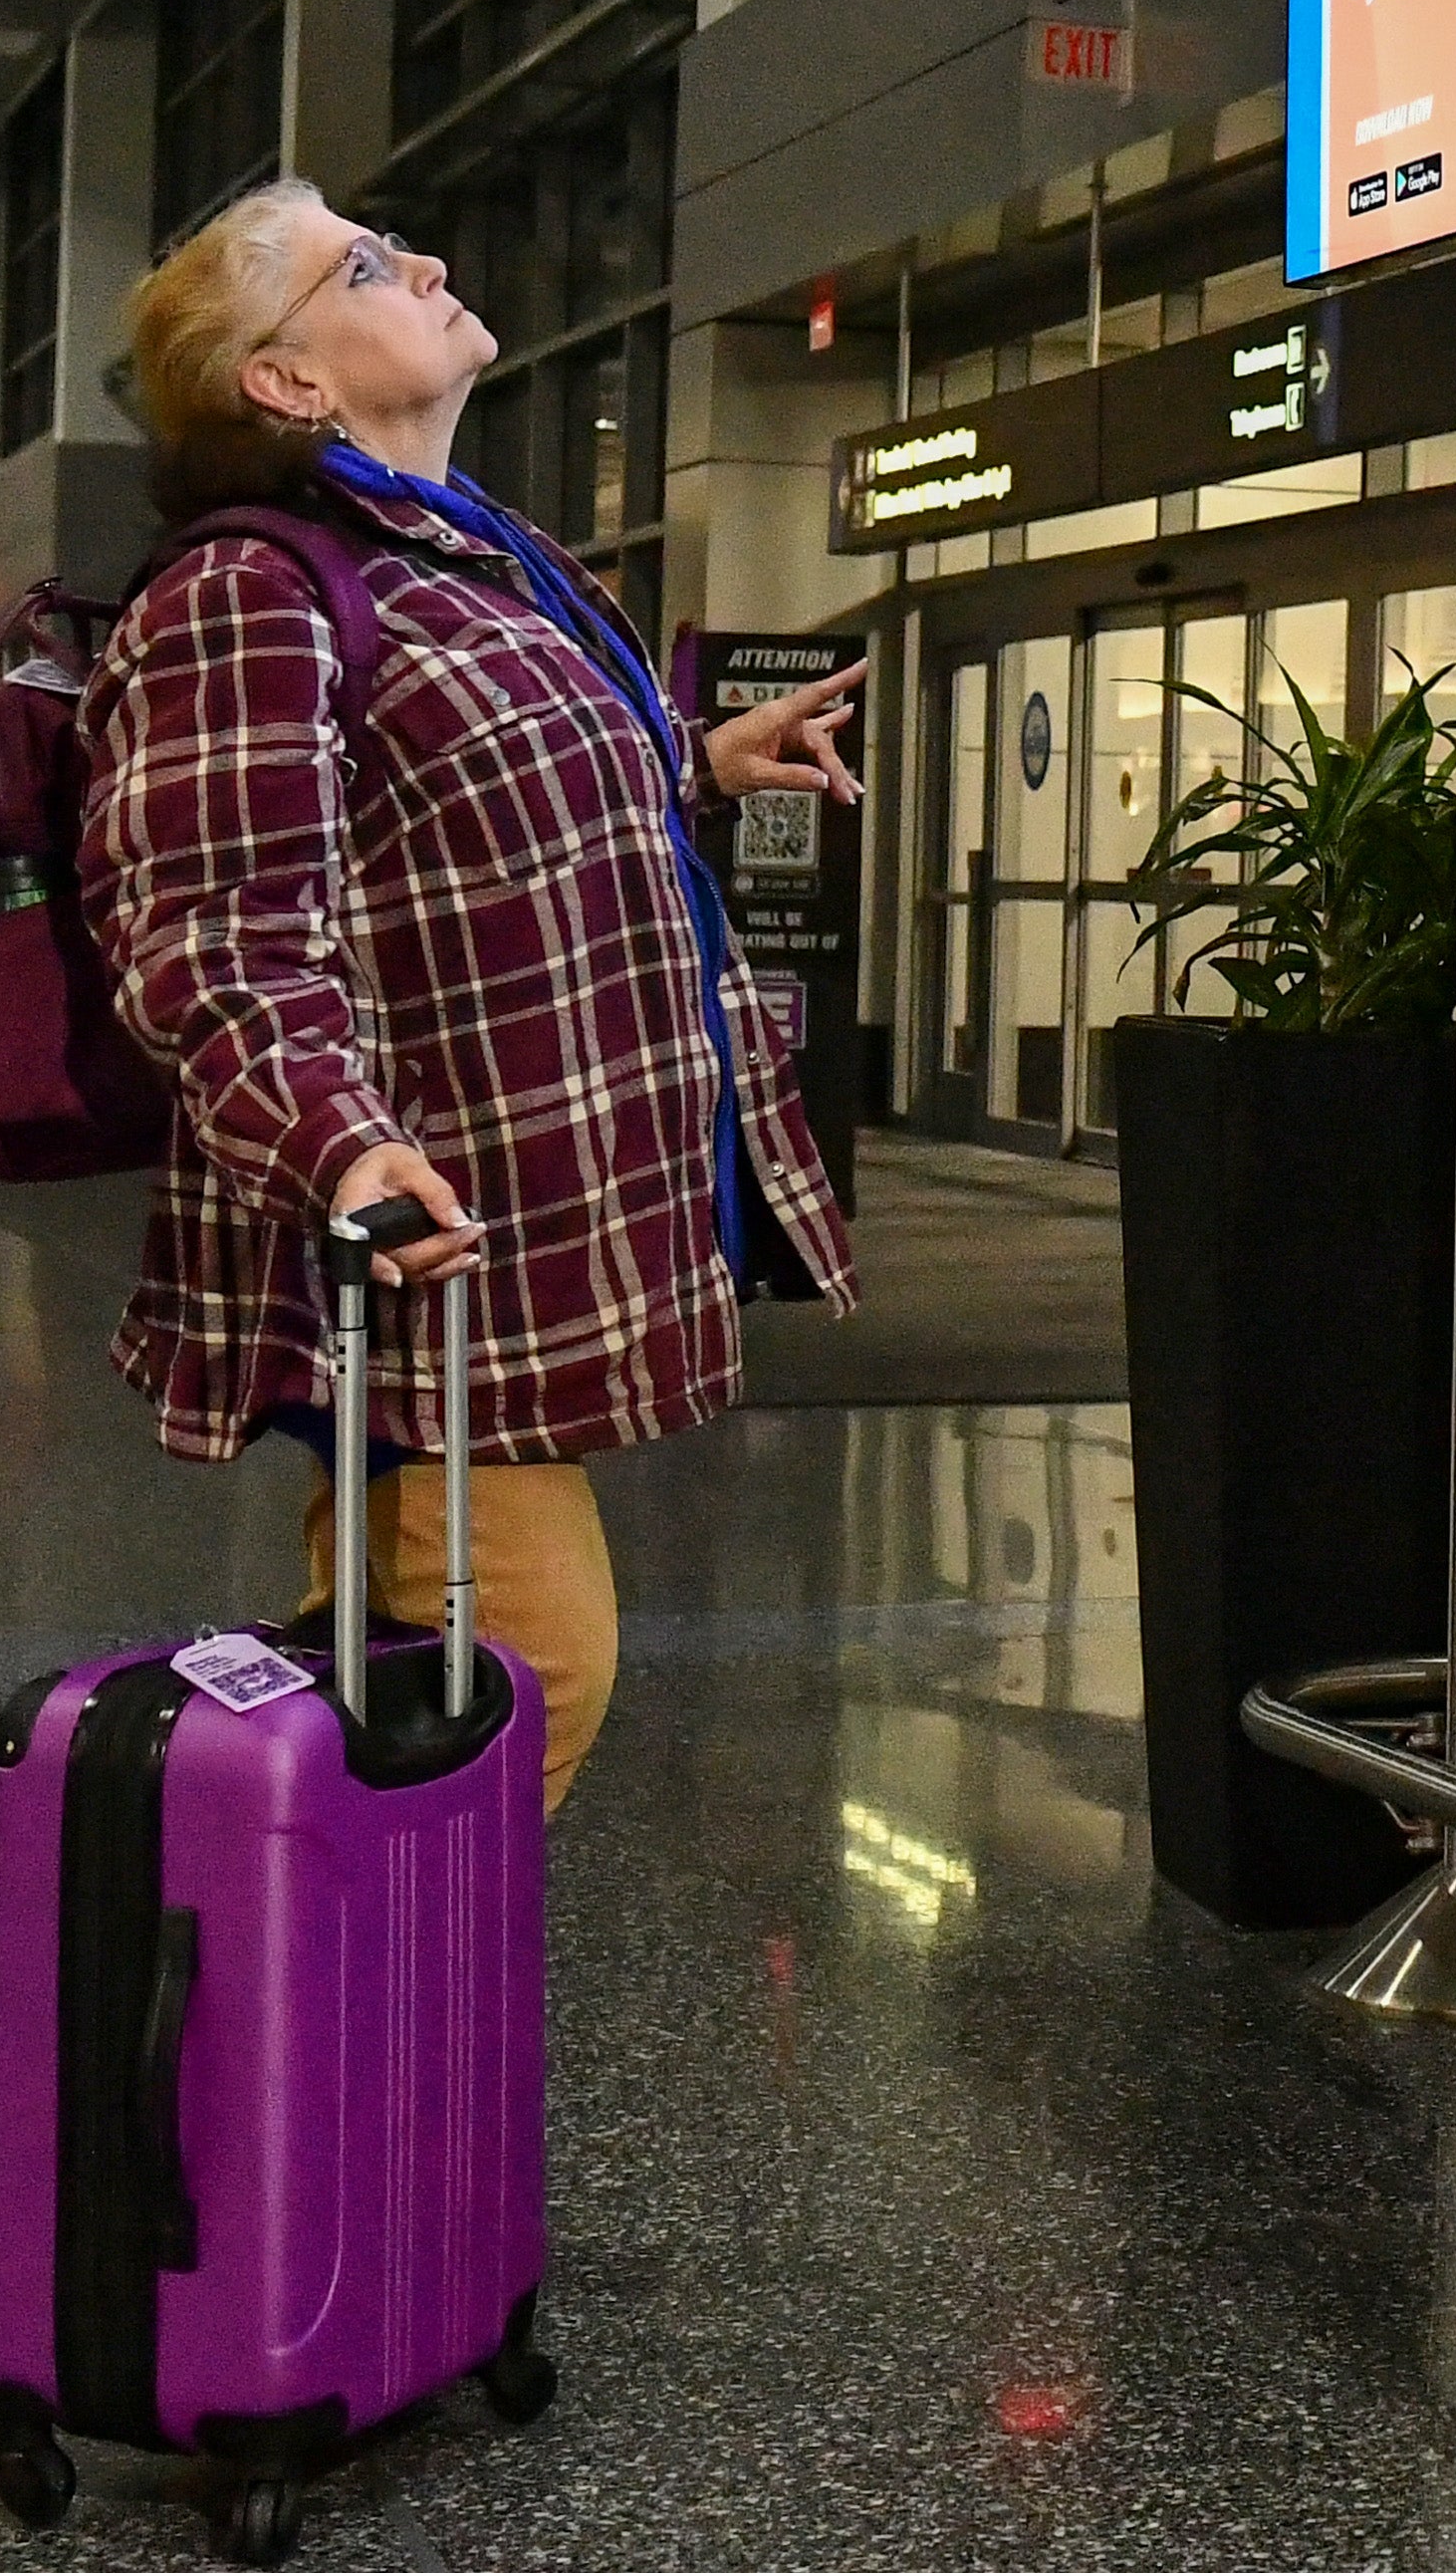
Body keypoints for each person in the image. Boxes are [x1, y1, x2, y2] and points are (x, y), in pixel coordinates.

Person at [90, 179, 865, 1811]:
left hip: (512, 1227)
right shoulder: (248, 586)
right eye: (363, 267)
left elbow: (459, 811)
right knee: (520, 1676)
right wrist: (337, 1144)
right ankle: (372, 2045)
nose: (428, 261)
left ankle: (316, 2022)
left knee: (395, 1661)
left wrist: (698, 766)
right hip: (438, 1241)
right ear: (286, 383)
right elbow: (206, 929)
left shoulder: (458, 554)